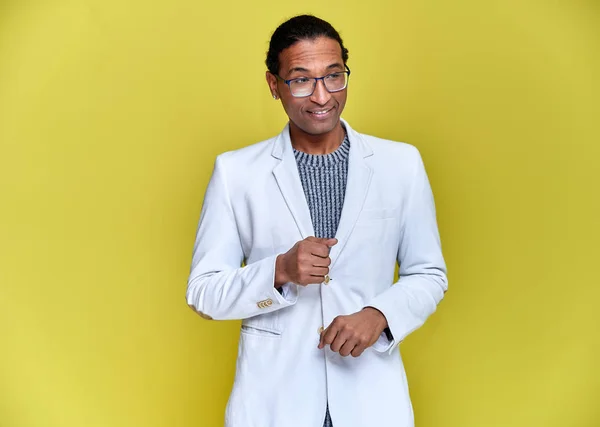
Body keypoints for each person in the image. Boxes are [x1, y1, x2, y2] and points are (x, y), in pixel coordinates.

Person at [186, 14, 448, 427]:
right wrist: (280, 270)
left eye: (334, 76)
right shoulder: (235, 173)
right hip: (274, 398)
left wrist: (381, 314)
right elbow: (204, 293)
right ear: (274, 85)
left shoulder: (401, 164)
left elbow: (429, 273)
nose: (322, 95)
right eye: (301, 79)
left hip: (371, 396)